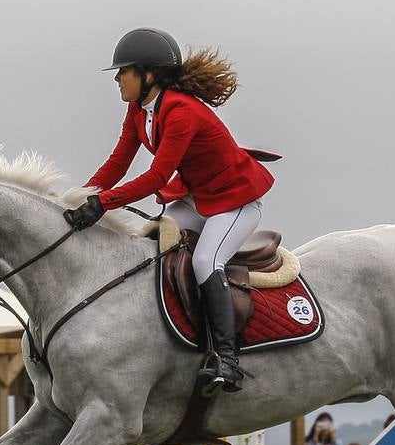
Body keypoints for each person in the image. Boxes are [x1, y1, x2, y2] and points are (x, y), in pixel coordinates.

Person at [66, 27, 276, 395]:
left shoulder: (181, 112)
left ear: (148, 74)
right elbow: (118, 163)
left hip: (235, 201)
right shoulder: (138, 110)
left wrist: (103, 204)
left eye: (124, 70)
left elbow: (156, 176)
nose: (117, 78)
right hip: (197, 198)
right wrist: (80, 198)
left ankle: (228, 359)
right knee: (153, 249)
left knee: (204, 262)